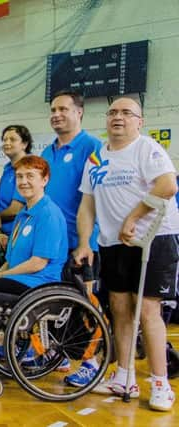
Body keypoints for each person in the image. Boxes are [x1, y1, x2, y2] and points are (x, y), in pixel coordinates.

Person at [75, 97, 179, 412]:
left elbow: (167, 185)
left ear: (139, 121)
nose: (118, 117)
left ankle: (160, 383)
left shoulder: (147, 149)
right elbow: (87, 205)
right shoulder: (95, 159)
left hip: (153, 238)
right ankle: (124, 376)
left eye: (126, 113)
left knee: (147, 311)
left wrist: (133, 218)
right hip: (112, 242)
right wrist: (84, 242)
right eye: (113, 113)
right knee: (119, 308)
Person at [41, 89, 103, 381]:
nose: (56, 114)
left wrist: (86, 242)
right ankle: (60, 356)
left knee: (85, 307)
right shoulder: (46, 151)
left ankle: (91, 366)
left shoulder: (92, 146)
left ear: (79, 112)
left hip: (80, 244)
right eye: (53, 109)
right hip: (52, 243)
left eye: (63, 109)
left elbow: (96, 200)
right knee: (55, 303)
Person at [0, 155, 67, 294]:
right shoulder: (22, 214)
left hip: (40, 282)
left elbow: (38, 263)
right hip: (18, 277)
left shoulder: (48, 214)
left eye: (30, 176)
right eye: (19, 176)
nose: (23, 181)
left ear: (44, 180)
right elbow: (10, 262)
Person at [0, 125, 32, 237]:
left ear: (24, 144)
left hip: (18, 233)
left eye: (12, 139)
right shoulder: (8, 168)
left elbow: (15, 210)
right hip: (3, 233)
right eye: (4, 140)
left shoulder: (28, 167)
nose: (7, 143)